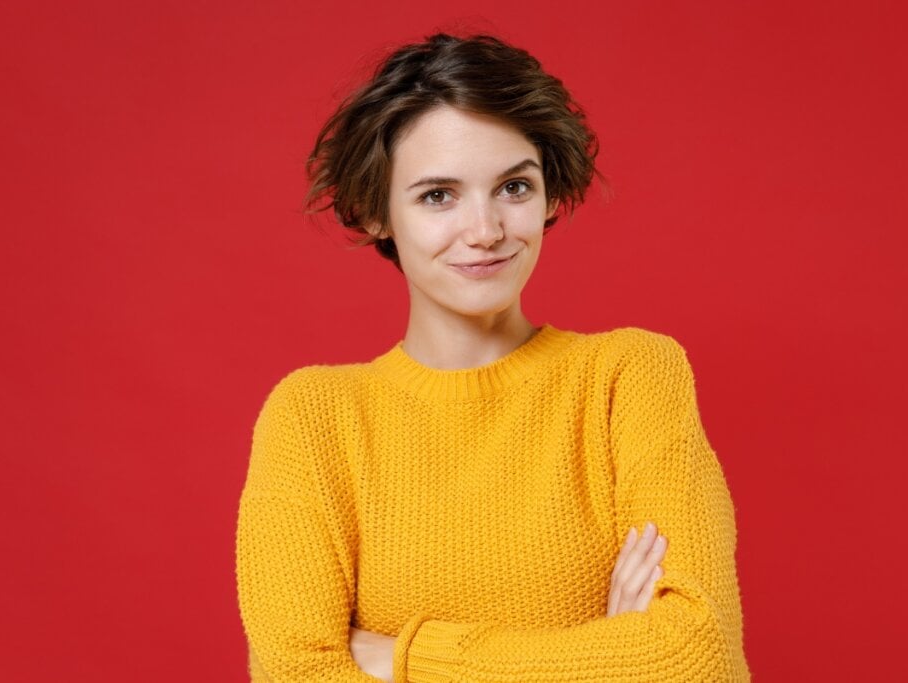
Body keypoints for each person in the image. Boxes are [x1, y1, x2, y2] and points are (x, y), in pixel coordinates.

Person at [235, 32, 749, 682]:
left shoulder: (631, 375)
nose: (485, 231)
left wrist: (403, 657)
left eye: (512, 187)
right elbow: (294, 672)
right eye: (437, 196)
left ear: (551, 194)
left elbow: (694, 659)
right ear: (374, 212)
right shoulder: (314, 417)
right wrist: (609, 657)